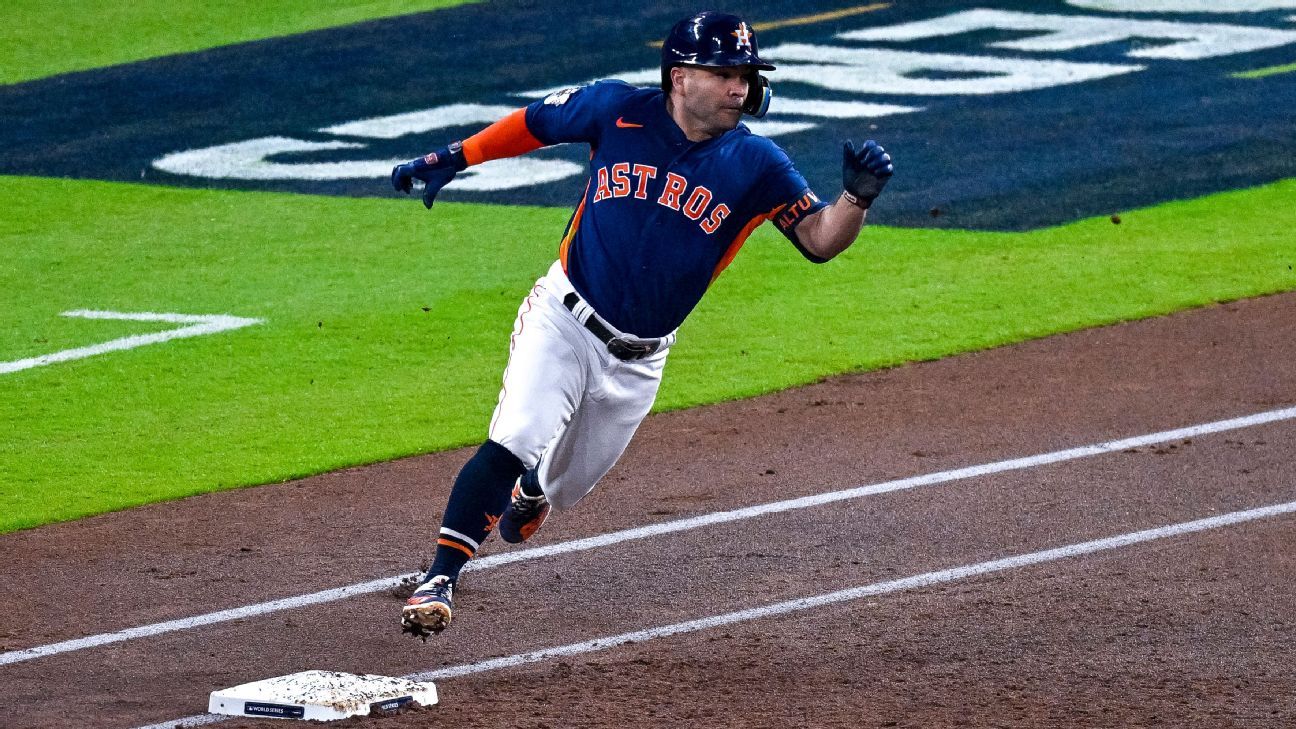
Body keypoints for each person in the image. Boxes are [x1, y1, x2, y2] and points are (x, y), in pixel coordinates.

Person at [392, 10, 893, 638]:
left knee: (567, 484)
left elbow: (820, 241)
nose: (741, 87)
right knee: (514, 435)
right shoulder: (615, 110)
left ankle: (535, 491)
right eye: (726, 73)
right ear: (680, 77)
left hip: (640, 359)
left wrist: (856, 199)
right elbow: (535, 123)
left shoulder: (758, 164)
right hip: (565, 318)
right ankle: (439, 579)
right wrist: (455, 156)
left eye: (746, 75)